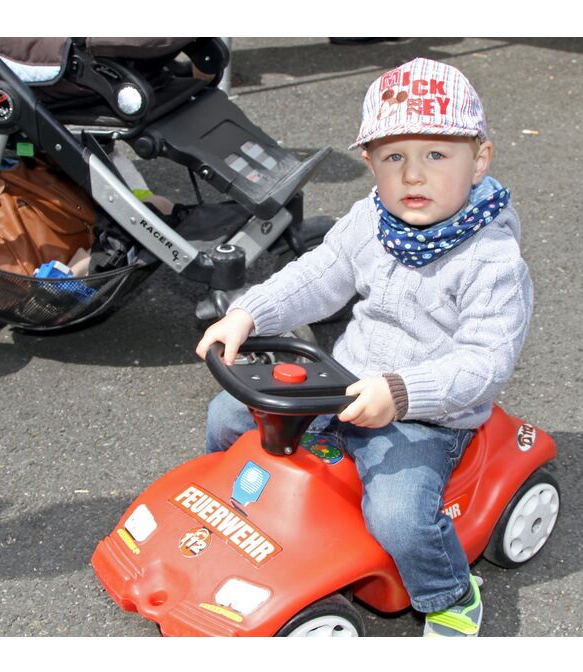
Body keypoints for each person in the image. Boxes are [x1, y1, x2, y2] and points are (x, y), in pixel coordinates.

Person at [195, 57, 533, 637]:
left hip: (425, 412)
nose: (413, 176)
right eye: (394, 158)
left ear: (479, 160)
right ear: (370, 163)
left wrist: (400, 394)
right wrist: (249, 313)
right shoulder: (370, 219)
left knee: (398, 515)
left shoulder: (492, 262)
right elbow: (321, 273)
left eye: (436, 155)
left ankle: (450, 592)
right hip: (345, 377)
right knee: (228, 416)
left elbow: (486, 361)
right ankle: (238, 524)